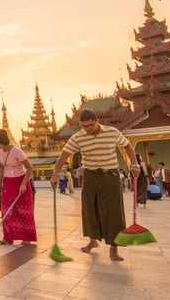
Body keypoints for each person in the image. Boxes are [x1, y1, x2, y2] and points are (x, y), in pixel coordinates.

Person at [51, 110, 140, 261]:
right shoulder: (77, 137)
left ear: (97, 120)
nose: (87, 129)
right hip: (91, 175)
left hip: (110, 175)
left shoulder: (112, 132)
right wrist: (55, 174)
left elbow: (128, 147)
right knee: (89, 209)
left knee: (114, 211)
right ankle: (93, 241)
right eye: (84, 126)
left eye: (90, 125)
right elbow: (63, 156)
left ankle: (114, 247)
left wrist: (134, 164)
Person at [0, 129, 37, 245]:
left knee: (23, 210)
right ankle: (8, 237)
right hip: (8, 182)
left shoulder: (17, 151)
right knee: (6, 210)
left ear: (1, 141)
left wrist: (23, 184)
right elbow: (1, 167)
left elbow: (29, 168)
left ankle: (26, 238)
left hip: (21, 181)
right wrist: (0, 182)